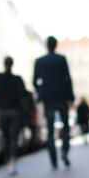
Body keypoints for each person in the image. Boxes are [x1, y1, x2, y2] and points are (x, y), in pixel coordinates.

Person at [33, 36, 74, 169]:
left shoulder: (39, 61)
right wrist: (70, 97)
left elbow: (35, 81)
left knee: (50, 130)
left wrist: (42, 91)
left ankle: (53, 161)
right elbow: (67, 79)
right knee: (65, 127)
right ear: (56, 45)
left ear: (46, 45)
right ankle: (64, 152)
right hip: (61, 97)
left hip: (48, 99)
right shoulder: (61, 59)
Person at [0, 56, 27, 175]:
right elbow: (24, 94)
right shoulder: (17, 79)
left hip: (3, 112)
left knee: (6, 138)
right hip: (15, 111)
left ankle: (8, 161)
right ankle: (12, 161)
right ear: (12, 64)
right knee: (14, 138)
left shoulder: (0, 78)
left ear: (5, 64)